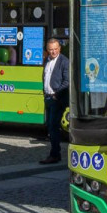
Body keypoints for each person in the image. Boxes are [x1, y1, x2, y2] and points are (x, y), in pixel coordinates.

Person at [39, 37, 70, 165]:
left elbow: (67, 81)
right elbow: (45, 77)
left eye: (55, 49)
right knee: (50, 126)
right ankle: (55, 153)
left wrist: (57, 94)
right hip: (48, 97)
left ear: (59, 48)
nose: (53, 52)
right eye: (51, 49)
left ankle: (55, 154)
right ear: (47, 49)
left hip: (56, 98)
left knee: (53, 126)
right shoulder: (47, 60)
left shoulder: (64, 61)